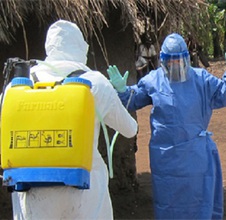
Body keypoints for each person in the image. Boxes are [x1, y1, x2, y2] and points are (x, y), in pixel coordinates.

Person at [107, 33, 226, 219]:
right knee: (168, 203)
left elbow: (223, 94)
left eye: (179, 60)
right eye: (170, 61)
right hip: (166, 160)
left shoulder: (201, 79)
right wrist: (123, 90)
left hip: (195, 158)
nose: (175, 65)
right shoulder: (153, 80)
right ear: (163, 60)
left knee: (198, 201)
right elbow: (134, 99)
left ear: (186, 59)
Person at [10, 20, 138, 219]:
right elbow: (130, 129)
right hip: (84, 188)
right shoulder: (95, 82)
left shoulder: (17, 86)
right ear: (80, 47)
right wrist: (120, 93)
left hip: (31, 188)